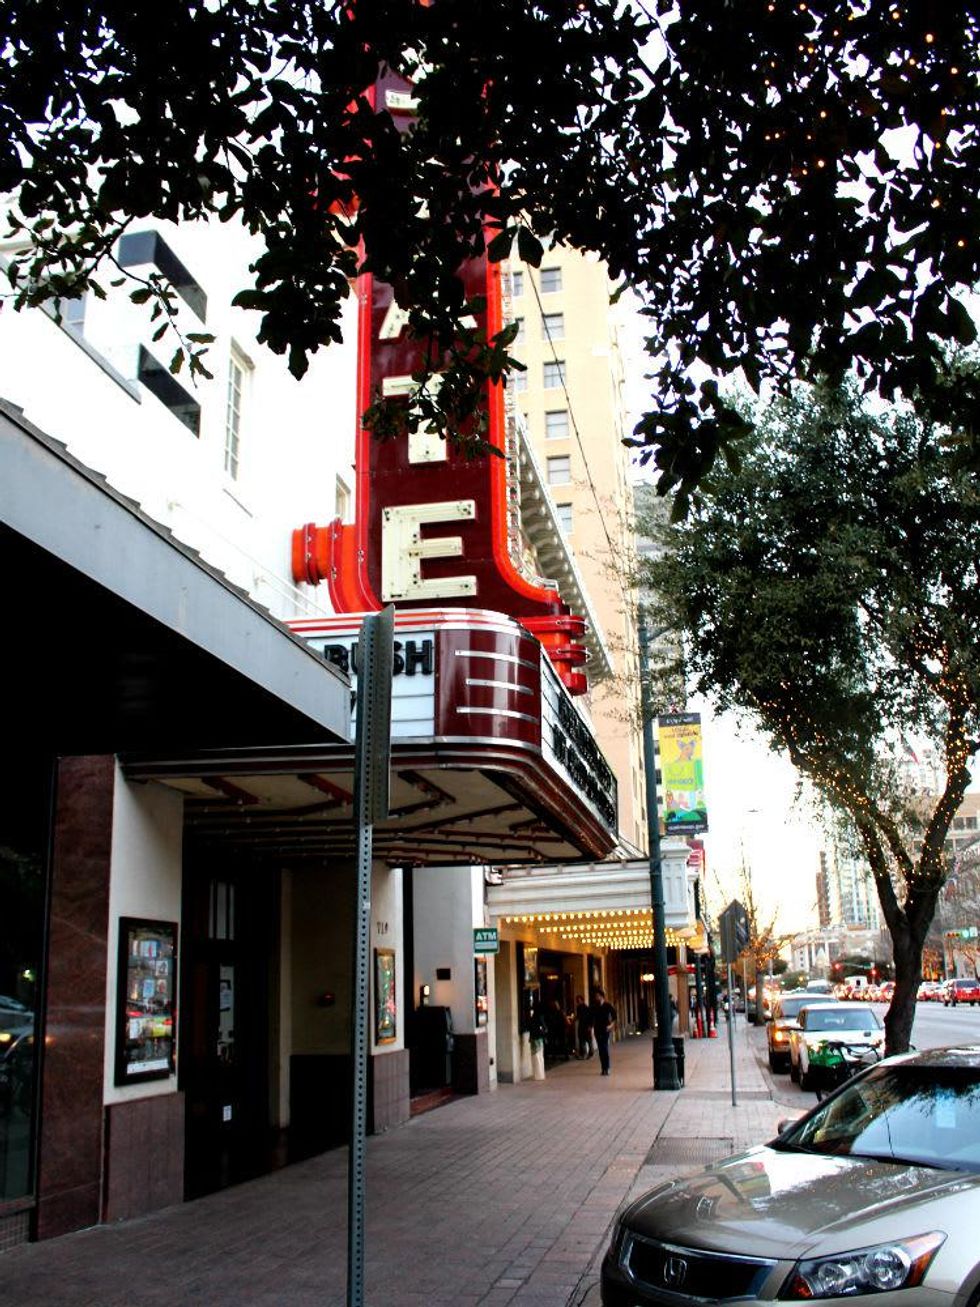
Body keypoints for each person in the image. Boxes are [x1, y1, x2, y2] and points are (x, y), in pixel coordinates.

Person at [590, 987, 617, 1076]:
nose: (596, 998)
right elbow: (592, 1019)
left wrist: (610, 1026)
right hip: (598, 1029)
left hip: (605, 1029)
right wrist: (592, 1029)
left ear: (602, 996)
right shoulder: (594, 1007)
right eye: (595, 996)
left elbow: (614, 1017)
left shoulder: (608, 1005)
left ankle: (607, 1067)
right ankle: (603, 1068)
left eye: (598, 996)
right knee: (600, 1049)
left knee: (604, 1048)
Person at [574, 994, 593, 1059]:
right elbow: (579, 1016)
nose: (578, 1002)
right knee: (584, 1041)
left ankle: (588, 1053)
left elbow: (590, 1017)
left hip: (585, 1026)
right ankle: (586, 1053)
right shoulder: (580, 1008)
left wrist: (590, 1026)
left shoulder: (585, 1008)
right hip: (583, 1026)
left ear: (582, 1000)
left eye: (579, 1001)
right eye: (577, 1001)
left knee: (586, 1040)